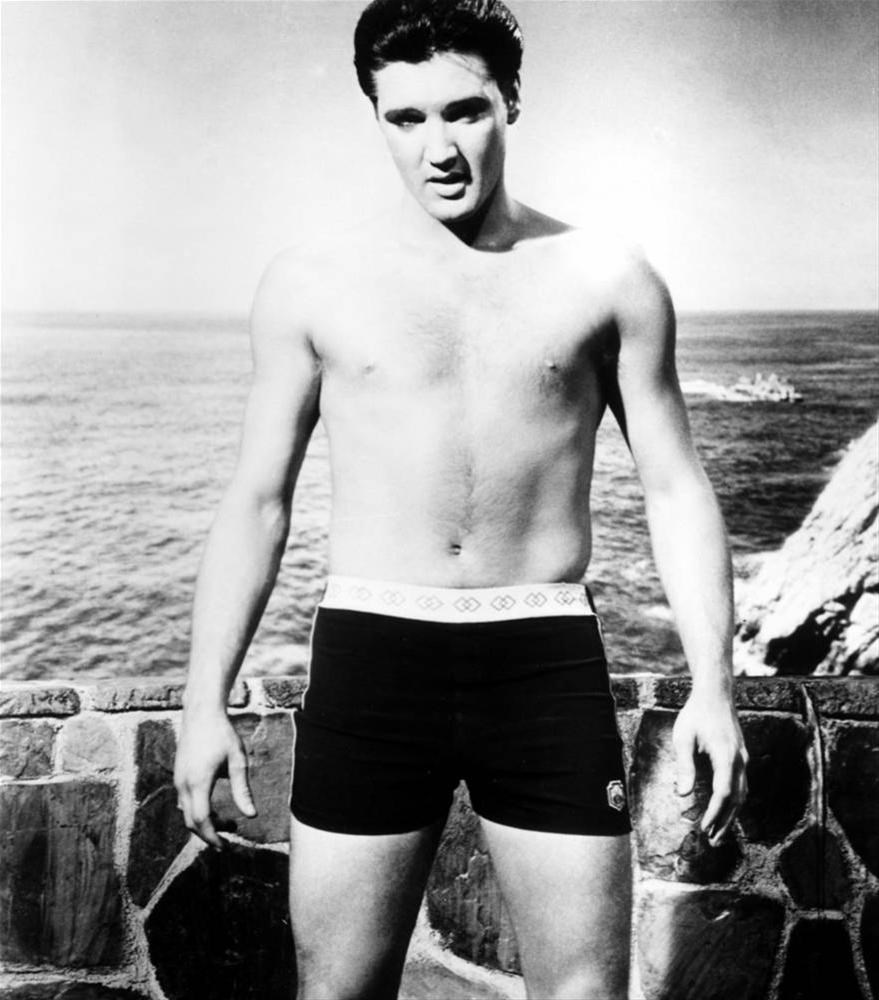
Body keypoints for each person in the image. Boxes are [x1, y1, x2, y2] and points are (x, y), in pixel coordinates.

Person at [174, 1, 749, 996]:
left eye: (464, 111)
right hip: (373, 655)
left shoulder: (607, 278)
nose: (437, 147)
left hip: (541, 657)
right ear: (375, 117)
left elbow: (673, 486)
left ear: (510, 101)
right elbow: (258, 501)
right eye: (405, 118)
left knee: (584, 991)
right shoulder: (311, 282)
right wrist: (201, 700)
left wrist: (714, 684)